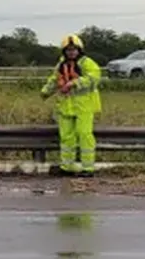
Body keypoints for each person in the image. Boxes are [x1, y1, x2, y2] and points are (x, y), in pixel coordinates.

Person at [40, 34, 102, 175]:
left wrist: (74, 83)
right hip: (65, 106)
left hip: (84, 106)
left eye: (74, 49)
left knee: (84, 134)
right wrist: (45, 92)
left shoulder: (87, 63)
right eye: (68, 50)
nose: (71, 52)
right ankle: (67, 167)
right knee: (67, 137)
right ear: (64, 51)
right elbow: (55, 80)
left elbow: (94, 78)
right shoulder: (61, 65)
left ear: (79, 50)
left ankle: (88, 168)